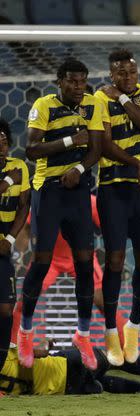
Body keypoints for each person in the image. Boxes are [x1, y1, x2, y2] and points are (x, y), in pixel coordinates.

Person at [20, 57, 104, 370]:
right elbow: (31, 149)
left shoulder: (94, 104)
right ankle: (26, 331)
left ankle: (83, 335)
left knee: (85, 262)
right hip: (48, 190)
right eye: (72, 81)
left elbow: (95, 148)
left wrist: (80, 169)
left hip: (79, 190)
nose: (78, 87)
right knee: (41, 262)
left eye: (82, 81)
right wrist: (70, 140)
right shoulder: (43, 106)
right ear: (60, 81)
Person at [93, 48, 140, 366]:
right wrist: (137, 163)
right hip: (112, 187)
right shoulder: (98, 98)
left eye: (132, 72)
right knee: (116, 260)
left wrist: (120, 98)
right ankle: (110, 333)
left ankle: (132, 326)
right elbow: (103, 143)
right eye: (121, 73)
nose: (128, 77)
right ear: (111, 74)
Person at [11, 195, 131, 349]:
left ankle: (125, 351)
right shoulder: (44, 198)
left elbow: (110, 228)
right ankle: (13, 347)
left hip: (80, 256)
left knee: (106, 303)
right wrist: (16, 257)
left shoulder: (89, 202)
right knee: (23, 304)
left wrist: (118, 257)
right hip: (48, 257)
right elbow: (26, 229)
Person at [0, 339, 140, 396]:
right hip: (68, 365)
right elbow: (38, 353)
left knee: (104, 382)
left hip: (66, 390)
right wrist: (45, 343)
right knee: (116, 357)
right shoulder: (3, 352)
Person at [0, 119, 31, 381]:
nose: (1, 148)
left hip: (3, 249)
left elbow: (24, 206)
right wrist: (9, 180)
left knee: (6, 309)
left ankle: (1, 362)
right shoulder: (15, 173)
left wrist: (10, 239)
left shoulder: (19, 166)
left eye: (5, 143)